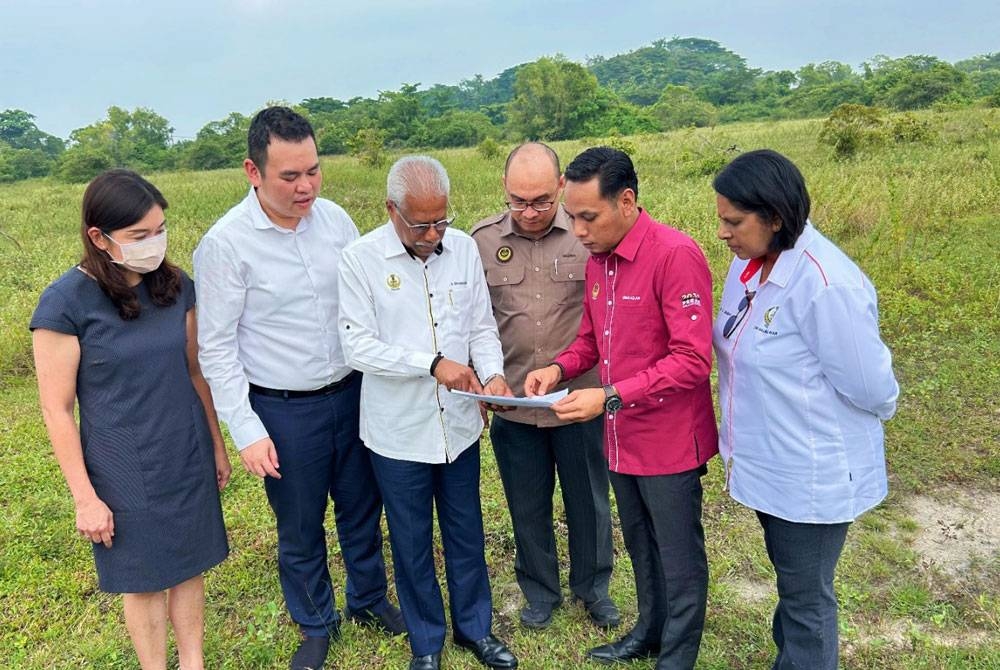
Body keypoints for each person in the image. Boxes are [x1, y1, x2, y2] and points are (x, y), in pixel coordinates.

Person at [193, 106, 401, 670]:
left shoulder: (335, 221)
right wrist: (247, 430)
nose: (305, 185)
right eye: (289, 176)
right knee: (301, 522)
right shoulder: (226, 245)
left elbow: (367, 305)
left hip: (353, 392)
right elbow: (216, 348)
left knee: (362, 505)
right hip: (283, 409)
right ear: (252, 171)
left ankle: (369, 599)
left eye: (312, 170)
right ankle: (314, 622)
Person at [525, 146, 718, 670]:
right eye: (573, 218)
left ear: (627, 200)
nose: (579, 230)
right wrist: (559, 369)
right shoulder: (598, 262)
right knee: (640, 544)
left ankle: (676, 657)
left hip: (669, 439)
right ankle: (648, 632)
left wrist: (608, 395)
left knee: (677, 557)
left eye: (588, 217)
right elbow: (591, 341)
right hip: (620, 435)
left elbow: (693, 360)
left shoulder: (674, 255)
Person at [30, 169, 229, 670]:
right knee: (142, 578)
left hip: (182, 446)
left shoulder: (175, 285)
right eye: (140, 237)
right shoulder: (65, 303)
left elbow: (194, 369)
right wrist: (85, 497)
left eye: (159, 230)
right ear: (99, 237)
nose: (154, 244)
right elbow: (56, 409)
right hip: (121, 462)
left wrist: (216, 443)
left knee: (189, 565)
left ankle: (193, 662)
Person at [712, 149, 898, 669]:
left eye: (733, 221)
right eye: (720, 219)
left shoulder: (826, 284)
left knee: (807, 601)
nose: (722, 233)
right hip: (769, 464)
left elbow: (872, 386)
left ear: (774, 217)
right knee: (794, 588)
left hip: (809, 472)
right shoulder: (749, 265)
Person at [338, 156, 518, 670]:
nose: (433, 233)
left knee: (466, 530)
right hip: (398, 433)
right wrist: (431, 364)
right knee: (412, 540)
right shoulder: (360, 260)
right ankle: (426, 643)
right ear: (391, 210)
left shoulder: (460, 250)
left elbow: (481, 325)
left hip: (459, 426)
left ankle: (475, 630)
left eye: (442, 220)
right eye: (421, 224)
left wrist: (492, 374)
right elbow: (357, 348)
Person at [470, 142, 617, 631]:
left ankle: (594, 588)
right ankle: (539, 590)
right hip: (513, 401)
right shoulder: (481, 242)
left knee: (589, 500)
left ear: (560, 187)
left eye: (540, 201)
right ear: (504, 191)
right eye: (518, 201)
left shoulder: (588, 232)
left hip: (577, 398)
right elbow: (472, 320)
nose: (529, 212)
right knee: (526, 503)